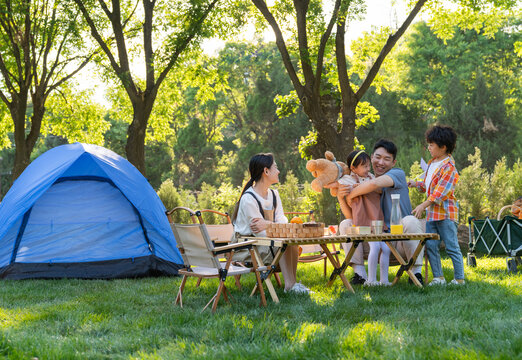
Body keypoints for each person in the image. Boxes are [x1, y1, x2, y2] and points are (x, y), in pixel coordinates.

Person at [335, 139, 425, 286]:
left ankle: (415, 274)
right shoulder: (361, 182)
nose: (381, 162)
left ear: (393, 162)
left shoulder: (397, 174)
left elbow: (375, 184)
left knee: (411, 220)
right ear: (371, 158)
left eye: (386, 159)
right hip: (371, 243)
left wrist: (350, 195)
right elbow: (353, 217)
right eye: (378, 157)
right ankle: (360, 275)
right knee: (346, 223)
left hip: (398, 242)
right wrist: (340, 197)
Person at [232, 153, 311, 294]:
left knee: (290, 239)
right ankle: (290, 286)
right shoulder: (248, 199)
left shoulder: (274, 194)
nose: (279, 171)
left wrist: (267, 224)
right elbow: (259, 232)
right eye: (275, 167)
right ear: (266, 171)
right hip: (249, 247)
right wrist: (275, 227)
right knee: (285, 240)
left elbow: (282, 221)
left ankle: (291, 285)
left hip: (268, 242)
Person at [409, 125, 464, 285]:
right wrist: (415, 184)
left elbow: (440, 193)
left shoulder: (449, 168)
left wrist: (422, 206)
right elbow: (429, 186)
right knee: (431, 246)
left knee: (451, 246)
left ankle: (459, 279)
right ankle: (438, 277)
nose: (429, 148)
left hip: (446, 213)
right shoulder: (432, 163)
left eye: (432, 145)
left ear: (443, 147)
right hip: (432, 214)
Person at [337, 150, 390, 286]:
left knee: (386, 248)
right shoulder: (349, 180)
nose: (368, 169)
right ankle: (369, 280)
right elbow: (342, 190)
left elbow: (378, 189)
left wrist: (364, 186)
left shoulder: (371, 177)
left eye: (368, 165)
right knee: (375, 246)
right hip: (363, 223)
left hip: (376, 219)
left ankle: (384, 280)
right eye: (365, 166)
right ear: (353, 168)